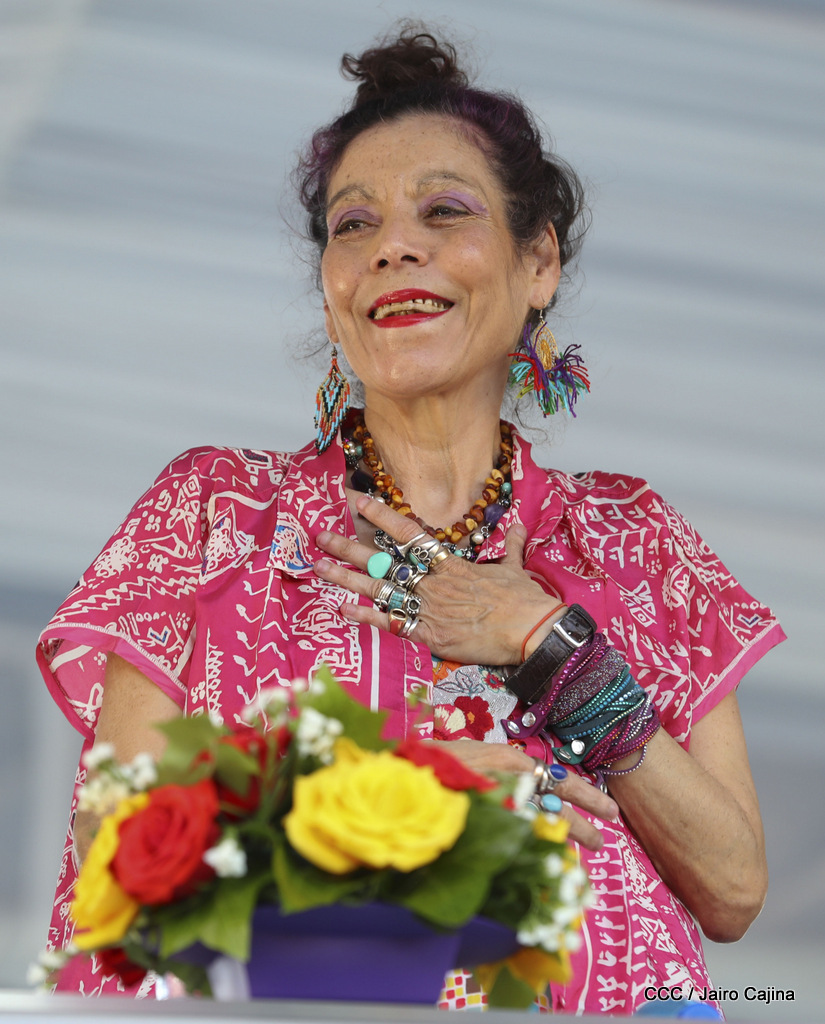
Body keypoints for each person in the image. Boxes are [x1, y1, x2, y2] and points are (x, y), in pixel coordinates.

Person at [38, 27, 784, 1013]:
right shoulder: (220, 512)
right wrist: (395, 796)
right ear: (332, 294)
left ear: (538, 262)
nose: (392, 245)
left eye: (444, 210)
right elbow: (117, 841)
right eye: (353, 224)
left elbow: (734, 887)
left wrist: (551, 645)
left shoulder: (635, 538)